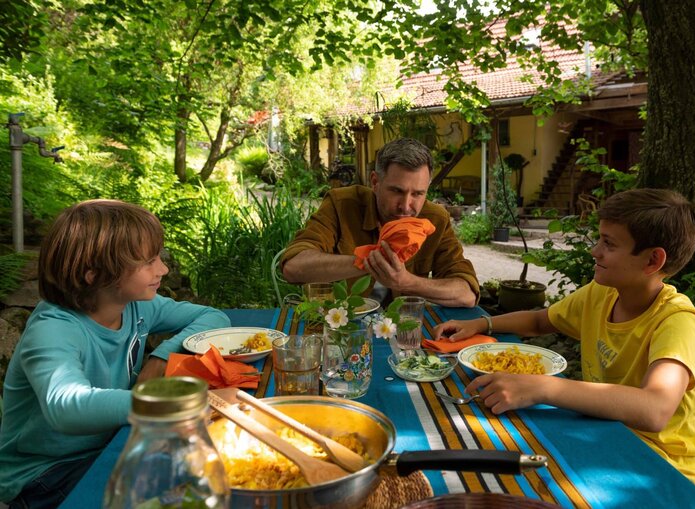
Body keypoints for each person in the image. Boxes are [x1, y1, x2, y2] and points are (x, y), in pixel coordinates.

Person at [433, 188, 695, 485]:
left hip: (661, 468)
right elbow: (541, 321)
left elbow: (655, 409)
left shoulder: (679, 323)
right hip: (603, 432)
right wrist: (482, 324)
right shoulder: (603, 293)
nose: (595, 251)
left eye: (609, 243)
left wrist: (544, 387)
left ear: (652, 261)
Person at [0, 200, 231, 508]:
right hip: (45, 474)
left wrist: (160, 358)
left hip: (110, 443)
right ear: (94, 275)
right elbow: (66, 406)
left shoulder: (137, 304)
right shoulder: (53, 329)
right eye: (148, 262)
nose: (161, 269)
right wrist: (172, 404)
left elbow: (214, 318)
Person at [282, 137, 478, 307]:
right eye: (397, 191)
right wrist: (369, 260)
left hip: (403, 329)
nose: (406, 206)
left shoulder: (435, 218)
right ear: (375, 182)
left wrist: (406, 282)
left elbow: (466, 294)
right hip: (343, 327)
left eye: (418, 194)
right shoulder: (341, 204)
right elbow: (294, 267)